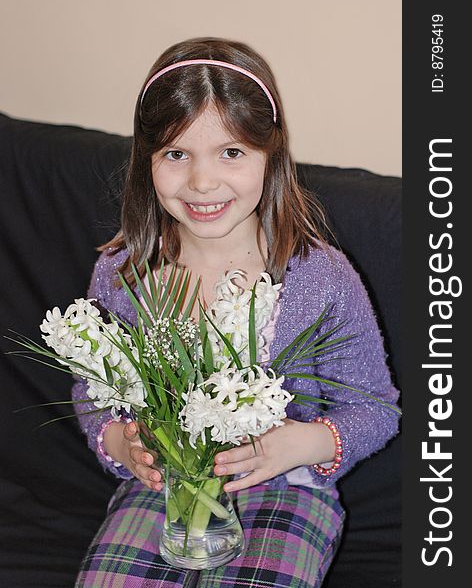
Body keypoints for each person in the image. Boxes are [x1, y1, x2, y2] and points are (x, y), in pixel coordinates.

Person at [72, 37, 400, 587]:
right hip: (164, 491)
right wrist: (120, 444)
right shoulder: (124, 271)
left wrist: (299, 443)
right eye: (176, 154)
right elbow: (91, 392)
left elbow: (377, 409)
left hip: (287, 488)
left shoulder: (319, 277)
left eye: (231, 152)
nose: (202, 182)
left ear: (269, 157)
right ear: (146, 161)